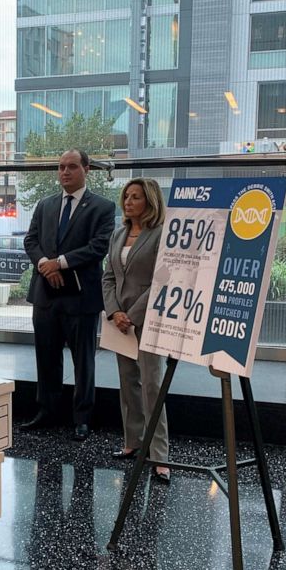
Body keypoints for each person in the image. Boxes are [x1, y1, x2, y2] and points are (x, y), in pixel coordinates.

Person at [22, 149, 115, 441]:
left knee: (83, 361)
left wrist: (59, 263)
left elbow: (99, 246)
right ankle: (47, 411)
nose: (65, 172)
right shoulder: (45, 205)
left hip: (81, 298)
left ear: (86, 169)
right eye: (61, 167)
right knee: (45, 358)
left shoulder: (103, 207)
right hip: (46, 295)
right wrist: (43, 266)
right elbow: (31, 239)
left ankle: (82, 418)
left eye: (72, 166)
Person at [102, 178, 171, 483]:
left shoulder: (161, 235)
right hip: (120, 321)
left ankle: (159, 455)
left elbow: (162, 279)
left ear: (150, 202)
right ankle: (133, 443)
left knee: (152, 385)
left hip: (148, 319)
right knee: (127, 381)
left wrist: (131, 314)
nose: (128, 202)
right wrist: (115, 311)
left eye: (136, 197)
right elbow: (108, 277)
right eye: (126, 196)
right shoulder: (118, 235)